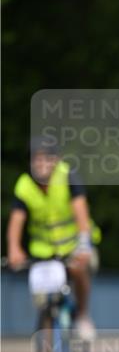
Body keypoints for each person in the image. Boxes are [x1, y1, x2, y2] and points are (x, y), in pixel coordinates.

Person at [6, 138, 101, 340]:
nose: (42, 164)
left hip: (74, 244)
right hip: (43, 251)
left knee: (78, 269)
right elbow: (16, 221)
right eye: (37, 159)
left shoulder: (68, 176)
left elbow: (81, 214)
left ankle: (83, 315)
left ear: (57, 160)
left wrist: (84, 245)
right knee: (44, 303)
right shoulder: (24, 185)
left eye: (48, 159)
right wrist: (14, 248)